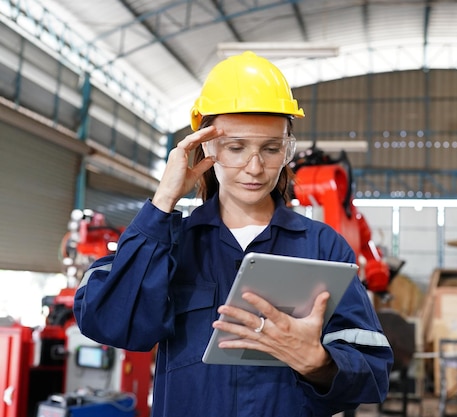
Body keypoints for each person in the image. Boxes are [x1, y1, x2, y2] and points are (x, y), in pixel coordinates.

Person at [73, 51, 393, 417]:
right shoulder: (170, 241)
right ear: (206, 146)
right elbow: (111, 323)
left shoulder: (321, 246)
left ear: (287, 150)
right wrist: (163, 200)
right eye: (236, 148)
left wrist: (317, 361)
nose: (254, 167)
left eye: (271, 149)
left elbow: (373, 373)